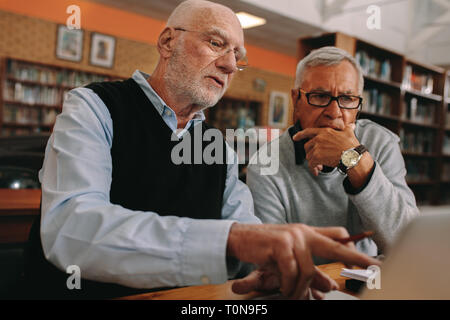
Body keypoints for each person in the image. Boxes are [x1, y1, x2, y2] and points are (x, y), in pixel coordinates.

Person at [27, 2, 379, 300]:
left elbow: (245, 230)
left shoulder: (219, 151)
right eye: (216, 44)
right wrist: (234, 241)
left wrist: (271, 267)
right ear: (167, 42)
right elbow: (71, 228)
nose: (229, 65)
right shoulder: (93, 108)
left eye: (237, 57)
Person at [247, 46, 419, 265]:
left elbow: (409, 245)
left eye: (347, 98)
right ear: (296, 101)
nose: (334, 112)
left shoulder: (381, 143)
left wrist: (356, 161)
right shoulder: (265, 163)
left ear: (358, 105)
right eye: (320, 96)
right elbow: (270, 262)